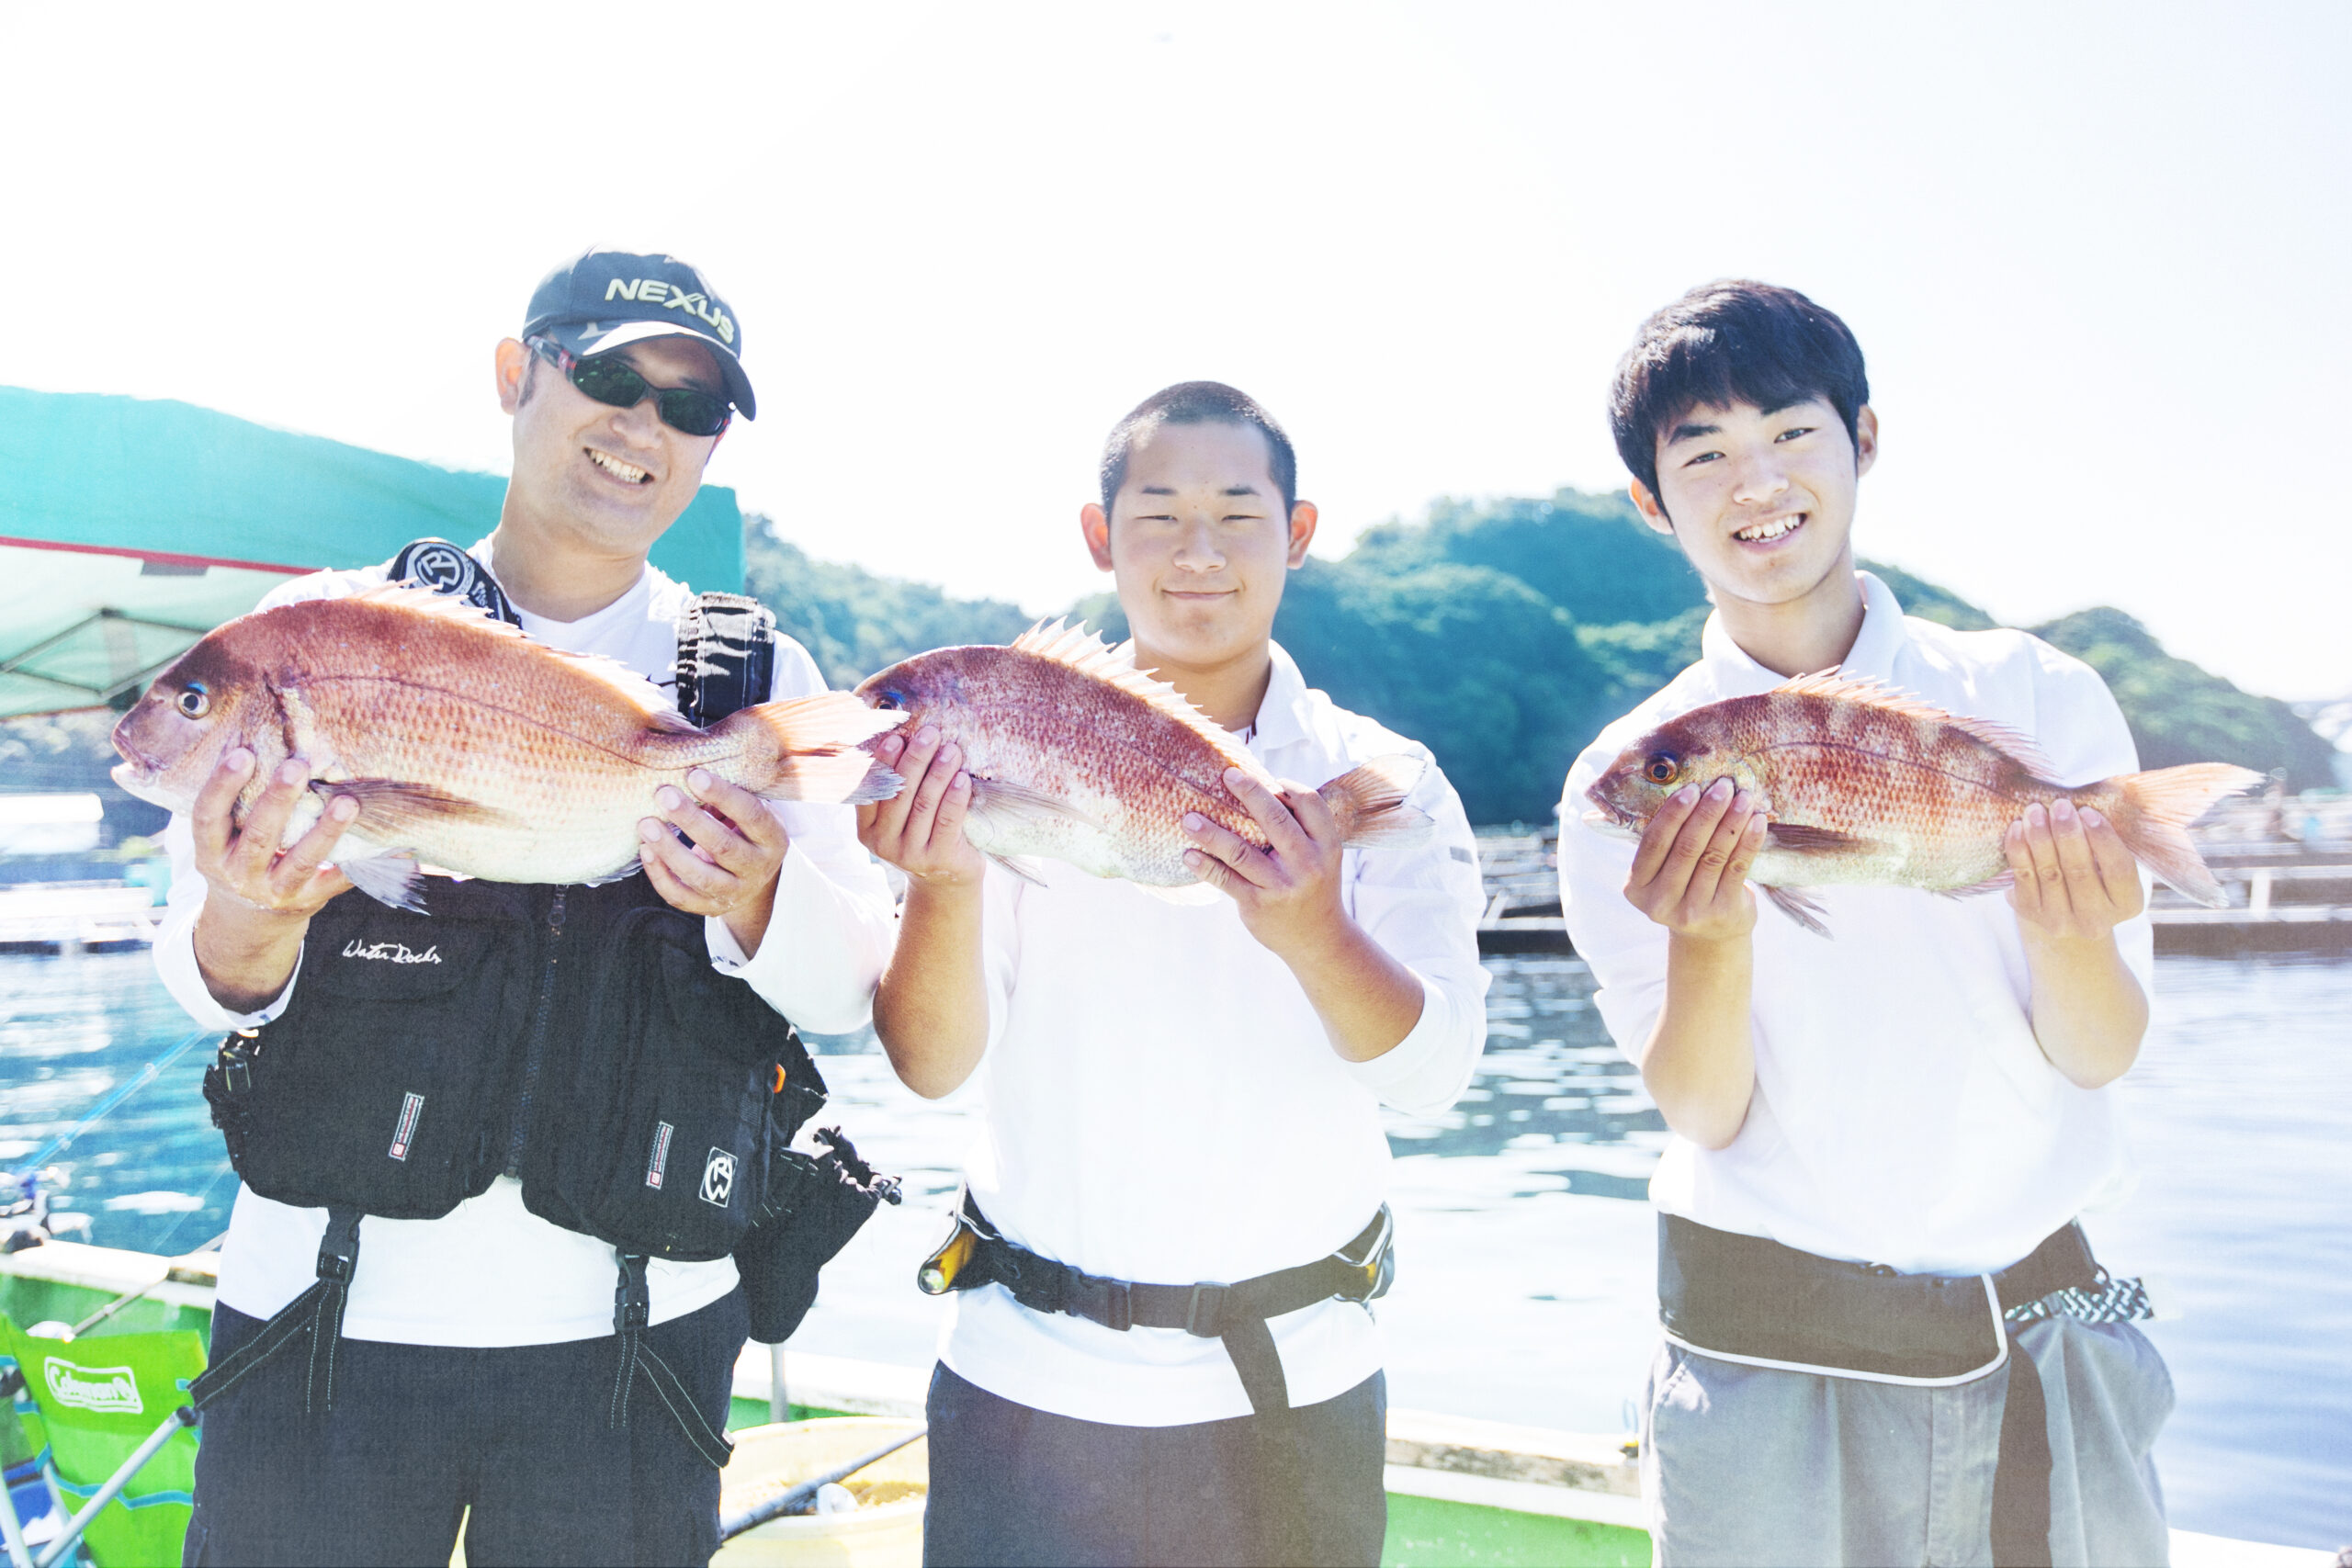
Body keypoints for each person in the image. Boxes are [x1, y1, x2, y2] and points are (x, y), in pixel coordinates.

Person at [153, 248, 896, 1567]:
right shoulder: (318, 630)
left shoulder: (754, 676)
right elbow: (198, 967)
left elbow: (850, 996)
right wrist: (250, 911)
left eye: (690, 407)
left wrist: (761, 892)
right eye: (610, 376)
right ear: (517, 375)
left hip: (637, 1348)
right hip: (319, 1325)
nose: (642, 427)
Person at [1556, 280, 2173, 1567]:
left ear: (1865, 441)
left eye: (1791, 432)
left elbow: (2103, 1054)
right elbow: (1705, 1112)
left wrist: (2070, 928)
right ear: (1651, 503)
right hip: (1756, 1344)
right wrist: (1709, 939)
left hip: (2033, 1323)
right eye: (1703, 453)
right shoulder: (1622, 776)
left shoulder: (2035, 695)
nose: (1756, 481)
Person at [859, 382, 1489, 1567]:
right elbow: (933, 1069)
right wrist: (944, 882)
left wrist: (1310, 927)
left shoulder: (1382, 774)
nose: (1197, 554)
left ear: (1297, 534)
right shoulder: (990, 742)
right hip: (1025, 1383)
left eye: (1238, 515)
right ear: (1100, 539)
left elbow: (1435, 1077)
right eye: (1155, 516)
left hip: (1296, 1386)